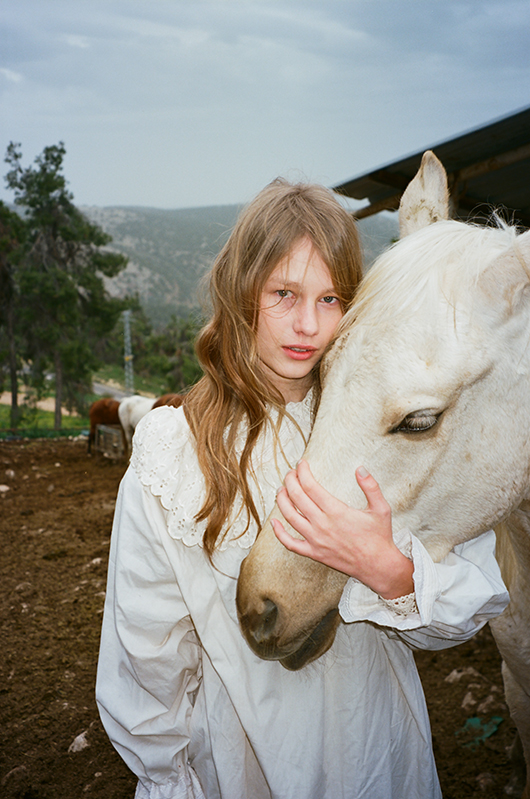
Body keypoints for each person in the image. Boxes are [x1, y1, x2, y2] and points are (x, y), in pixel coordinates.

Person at [96, 179, 509, 799]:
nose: (308, 324)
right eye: (283, 293)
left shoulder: (393, 428)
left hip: (379, 756)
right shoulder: (173, 449)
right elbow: (147, 651)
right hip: (246, 770)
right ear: (242, 293)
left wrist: (389, 571)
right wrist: (167, 779)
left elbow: (462, 613)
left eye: (332, 297)